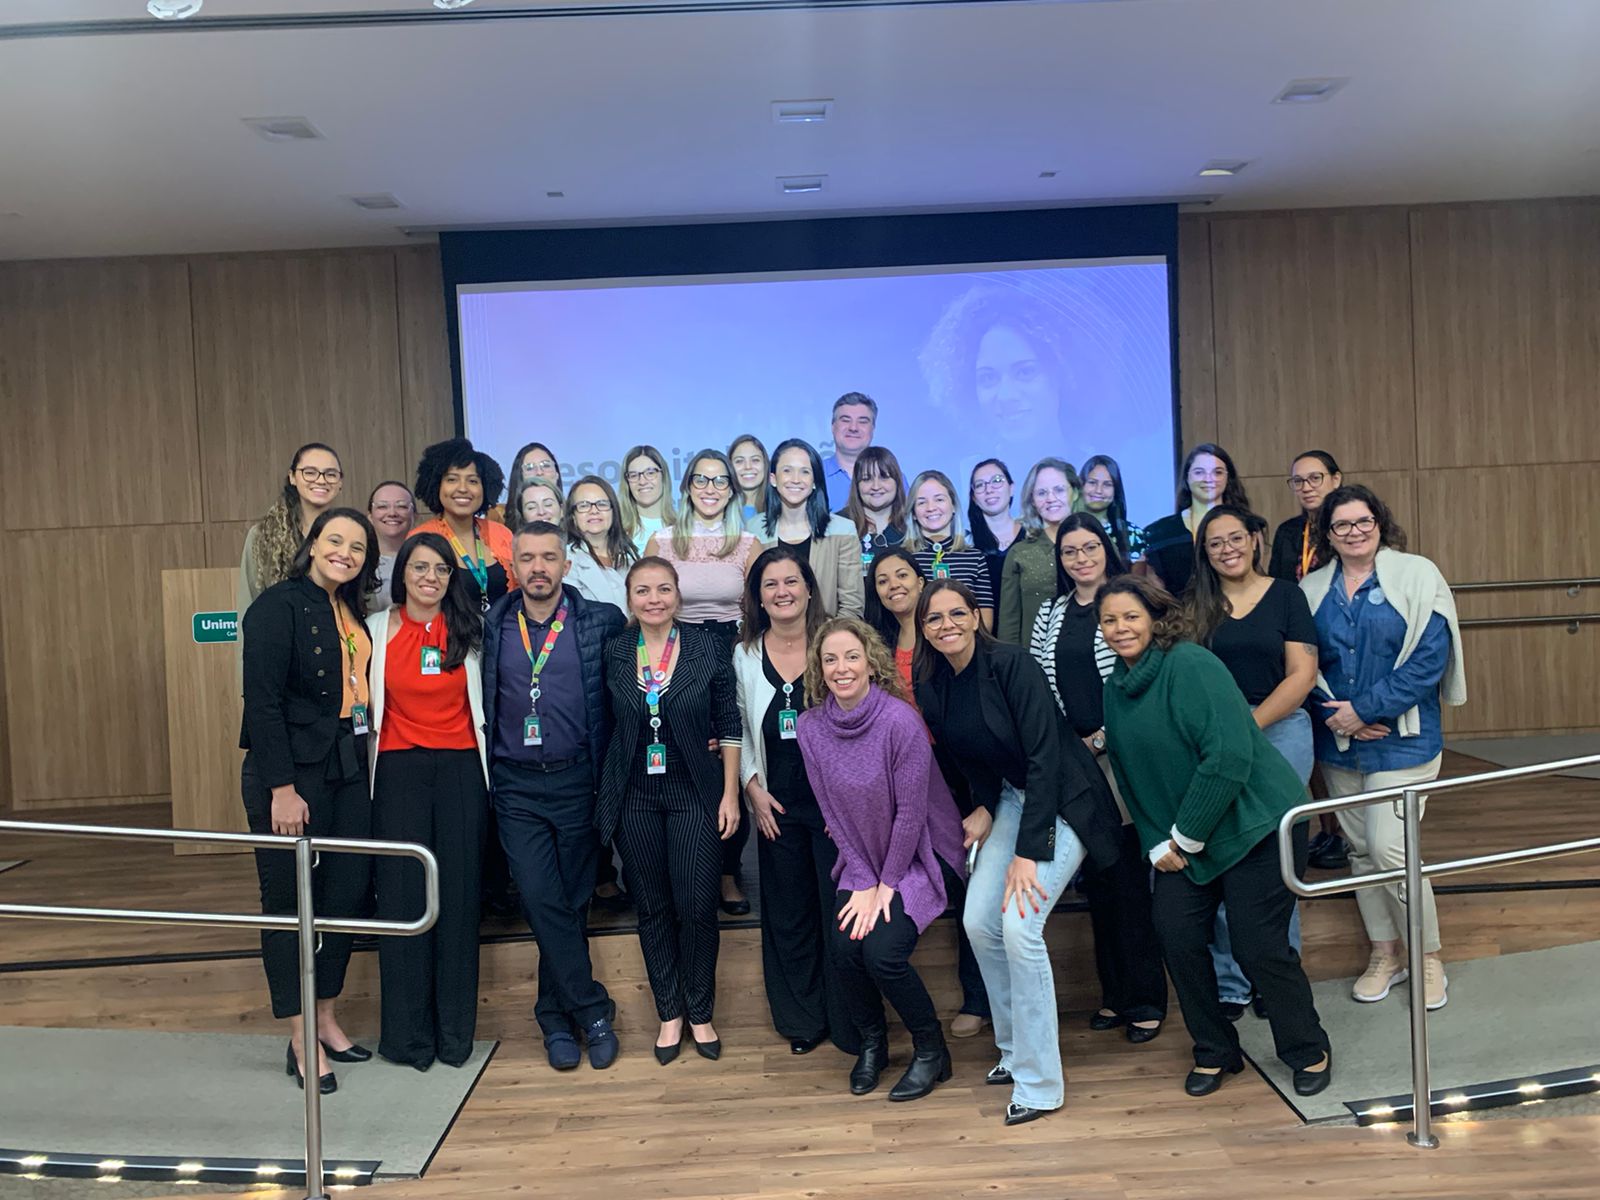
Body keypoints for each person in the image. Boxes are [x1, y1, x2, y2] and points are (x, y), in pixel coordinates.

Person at [1097, 575, 1332, 1099]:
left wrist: (1183, 838)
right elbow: (1131, 772)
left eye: (1130, 616)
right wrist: (1158, 843)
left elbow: (1228, 758)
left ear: (1157, 618)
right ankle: (1215, 1050)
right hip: (1186, 839)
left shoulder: (1191, 664)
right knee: (1176, 937)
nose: (1119, 629)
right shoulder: (1116, 686)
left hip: (1258, 825)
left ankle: (1306, 1046)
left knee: (1257, 945)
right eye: (1109, 620)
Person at [915, 579, 1123, 1126]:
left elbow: (1045, 756)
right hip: (1011, 798)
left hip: (1063, 799)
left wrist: (1030, 851)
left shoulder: (1012, 664)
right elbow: (971, 760)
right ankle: (1011, 1051)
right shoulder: (934, 683)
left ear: (975, 616)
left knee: (1018, 926)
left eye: (956, 613)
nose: (946, 626)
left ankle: (1040, 1083)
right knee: (979, 921)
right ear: (922, 628)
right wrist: (985, 805)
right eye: (933, 619)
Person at [1301, 485, 1466, 1010]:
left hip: (1405, 741)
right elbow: (1304, 664)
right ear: (1327, 534)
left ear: (1379, 522)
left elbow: (1428, 659)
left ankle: (1427, 956)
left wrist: (1365, 710)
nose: (1354, 532)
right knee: (1361, 854)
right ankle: (1385, 954)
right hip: (1341, 743)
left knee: (1392, 849)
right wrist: (1342, 718)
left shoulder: (1418, 574)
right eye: (1341, 525)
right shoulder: (1310, 589)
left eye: (1362, 521)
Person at [797, 616, 968, 1101]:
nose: (841, 667)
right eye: (830, 659)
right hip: (863, 859)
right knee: (846, 948)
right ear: (819, 669)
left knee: (882, 954)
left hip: (919, 855)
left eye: (851, 656)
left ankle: (932, 1050)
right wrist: (863, 877)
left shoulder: (899, 720)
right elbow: (830, 811)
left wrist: (886, 886)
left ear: (871, 662)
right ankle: (872, 1046)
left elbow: (912, 813)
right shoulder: (810, 728)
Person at [239, 507, 378, 1094]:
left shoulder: (352, 609)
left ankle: (325, 1015)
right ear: (312, 544)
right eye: (335, 540)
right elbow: (262, 703)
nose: (345, 552)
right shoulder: (276, 606)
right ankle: (299, 1036)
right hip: (292, 775)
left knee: (343, 895)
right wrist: (282, 788)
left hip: (348, 765)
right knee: (290, 904)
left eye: (357, 546)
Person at [483, 521, 626, 1071]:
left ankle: (552, 1017)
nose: (538, 568)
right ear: (512, 566)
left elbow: (631, 692)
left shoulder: (601, 622)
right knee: (540, 896)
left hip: (578, 780)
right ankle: (591, 1008)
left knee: (570, 901)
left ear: (567, 565)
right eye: (527, 559)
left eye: (549, 558)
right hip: (516, 783)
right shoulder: (491, 624)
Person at [597, 557, 743, 1064]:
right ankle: (669, 1014)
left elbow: (729, 722)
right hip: (634, 793)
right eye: (643, 590)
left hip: (695, 792)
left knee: (697, 906)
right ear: (630, 598)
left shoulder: (707, 646)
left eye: (663, 589)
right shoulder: (615, 650)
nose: (653, 598)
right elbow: (606, 725)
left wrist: (729, 795)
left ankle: (700, 1012)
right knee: (653, 908)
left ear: (678, 595)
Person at [1028, 515, 1167, 1044]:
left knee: (1130, 883)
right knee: (1100, 883)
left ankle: (1147, 998)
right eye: (1070, 551)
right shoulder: (1050, 613)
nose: (1081, 558)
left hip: (1123, 757)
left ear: (1106, 550)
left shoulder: (1126, 605)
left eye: (1090, 548)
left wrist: (1102, 740)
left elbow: (1139, 681)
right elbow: (1042, 685)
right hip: (1075, 761)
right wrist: (1069, 747)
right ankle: (1114, 995)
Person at [365, 532, 488, 1071]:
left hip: (462, 770)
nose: (430, 577)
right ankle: (407, 1038)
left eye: (440, 568)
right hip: (397, 773)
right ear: (403, 573)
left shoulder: (470, 632)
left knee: (458, 901)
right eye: (419, 567)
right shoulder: (373, 630)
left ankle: (454, 1036)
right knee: (402, 900)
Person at [1189, 505, 1318, 1018]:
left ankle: (1275, 972)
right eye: (1215, 542)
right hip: (1213, 738)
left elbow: (1302, 674)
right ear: (1205, 552)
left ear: (1255, 540)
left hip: (1280, 730)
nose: (1227, 548)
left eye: (1235, 538)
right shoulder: (1194, 605)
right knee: (1225, 851)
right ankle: (1230, 981)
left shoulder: (1288, 595)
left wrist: (1248, 727)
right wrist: (1226, 734)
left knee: (1275, 856)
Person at [733, 547, 856, 1055]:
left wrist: (845, 804)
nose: (782, 592)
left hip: (834, 812)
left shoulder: (835, 643)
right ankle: (802, 1020)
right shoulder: (743, 653)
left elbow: (859, 725)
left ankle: (849, 1022)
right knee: (788, 915)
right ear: (758, 598)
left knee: (838, 916)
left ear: (809, 587)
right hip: (775, 807)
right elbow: (735, 728)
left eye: (791, 581)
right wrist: (752, 788)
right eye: (770, 584)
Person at [646, 450, 762, 915]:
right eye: (701, 479)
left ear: (733, 489)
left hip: (732, 653)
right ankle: (691, 869)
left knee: (731, 759)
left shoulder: (749, 543)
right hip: (679, 654)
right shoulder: (662, 540)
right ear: (687, 486)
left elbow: (758, 608)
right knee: (690, 759)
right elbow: (651, 604)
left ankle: (729, 872)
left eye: (720, 481)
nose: (710, 488)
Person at [918, 285, 1074, 467]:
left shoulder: (1097, 474)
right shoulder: (961, 476)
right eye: (988, 378)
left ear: (1059, 373)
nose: (1006, 396)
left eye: (1025, 372)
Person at [754, 438, 864, 619]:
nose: (795, 479)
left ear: (814, 481)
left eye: (805, 472)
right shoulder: (754, 530)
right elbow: (753, 597)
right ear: (773, 479)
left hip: (827, 639)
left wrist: (827, 642)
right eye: (787, 470)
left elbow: (852, 606)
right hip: (772, 637)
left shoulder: (843, 530)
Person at [409, 438, 513, 614]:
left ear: (485, 487)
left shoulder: (502, 533)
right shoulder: (421, 538)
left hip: (502, 638)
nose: (463, 488)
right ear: (436, 485)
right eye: (452, 479)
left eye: (472, 481)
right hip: (448, 638)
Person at [240, 442, 345, 610]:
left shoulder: (352, 534)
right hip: (279, 633)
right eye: (310, 473)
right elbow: (249, 602)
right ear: (292, 477)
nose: (321, 480)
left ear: (340, 482)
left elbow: (365, 600)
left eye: (331, 474)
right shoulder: (263, 536)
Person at [1142, 443, 1250, 599]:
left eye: (1217, 472)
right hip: (1178, 619)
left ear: (1228, 478)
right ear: (1187, 477)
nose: (1208, 479)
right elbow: (1155, 593)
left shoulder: (1249, 525)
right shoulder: (1160, 532)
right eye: (1199, 472)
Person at [996, 457, 1078, 643]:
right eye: (1041, 493)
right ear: (1032, 500)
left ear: (1075, 492)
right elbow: (1009, 622)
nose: (1051, 499)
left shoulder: (1097, 545)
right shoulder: (1019, 553)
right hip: (1034, 662)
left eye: (1059, 490)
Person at [905, 470, 994, 630]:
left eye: (939, 499)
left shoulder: (975, 557)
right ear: (913, 514)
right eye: (921, 502)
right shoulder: (905, 558)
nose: (931, 507)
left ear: (953, 506)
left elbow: (985, 617)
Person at [562, 474, 636, 612]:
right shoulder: (566, 560)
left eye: (602, 504)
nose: (594, 511)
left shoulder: (631, 558)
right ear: (573, 516)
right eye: (584, 506)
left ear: (614, 512)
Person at [1269, 450, 1343, 584]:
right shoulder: (1287, 531)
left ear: (1336, 480)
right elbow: (1275, 584)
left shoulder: (1349, 528)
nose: (1306, 488)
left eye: (1315, 478)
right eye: (1298, 481)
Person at [841, 445, 909, 574]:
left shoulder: (911, 524)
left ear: (897, 481)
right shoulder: (839, 525)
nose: (876, 486)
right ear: (857, 485)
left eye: (884, 477)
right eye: (867, 479)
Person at [967, 458, 1021, 601]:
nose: (989, 490)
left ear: (1011, 488)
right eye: (980, 485)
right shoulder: (966, 545)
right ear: (974, 498)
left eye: (996, 481)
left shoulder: (1033, 537)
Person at [1079, 454, 1144, 565]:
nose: (1098, 490)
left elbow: (1137, 580)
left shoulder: (1132, 534)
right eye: (1092, 483)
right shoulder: (1066, 529)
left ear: (1116, 490)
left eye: (1107, 484)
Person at [819, 392, 877, 511]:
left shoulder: (893, 478)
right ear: (832, 427)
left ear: (873, 429)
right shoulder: (814, 475)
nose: (853, 428)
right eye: (845, 420)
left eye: (863, 421)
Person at [618, 444, 677, 554]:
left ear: (663, 477)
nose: (642, 481)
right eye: (634, 475)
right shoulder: (616, 530)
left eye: (650, 473)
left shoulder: (682, 527)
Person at [489, 441, 563, 525]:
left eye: (546, 465)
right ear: (519, 476)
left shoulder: (574, 511)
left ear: (557, 474)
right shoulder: (498, 515)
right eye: (530, 468)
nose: (539, 472)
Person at [367, 480, 416, 598]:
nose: (392, 513)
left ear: (414, 516)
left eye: (402, 506)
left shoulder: (426, 559)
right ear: (370, 517)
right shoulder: (359, 560)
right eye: (382, 506)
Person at [728, 434, 771, 524]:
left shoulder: (779, 508)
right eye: (739, 461)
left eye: (755, 460)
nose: (748, 467)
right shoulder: (720, 510)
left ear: (765, 464)